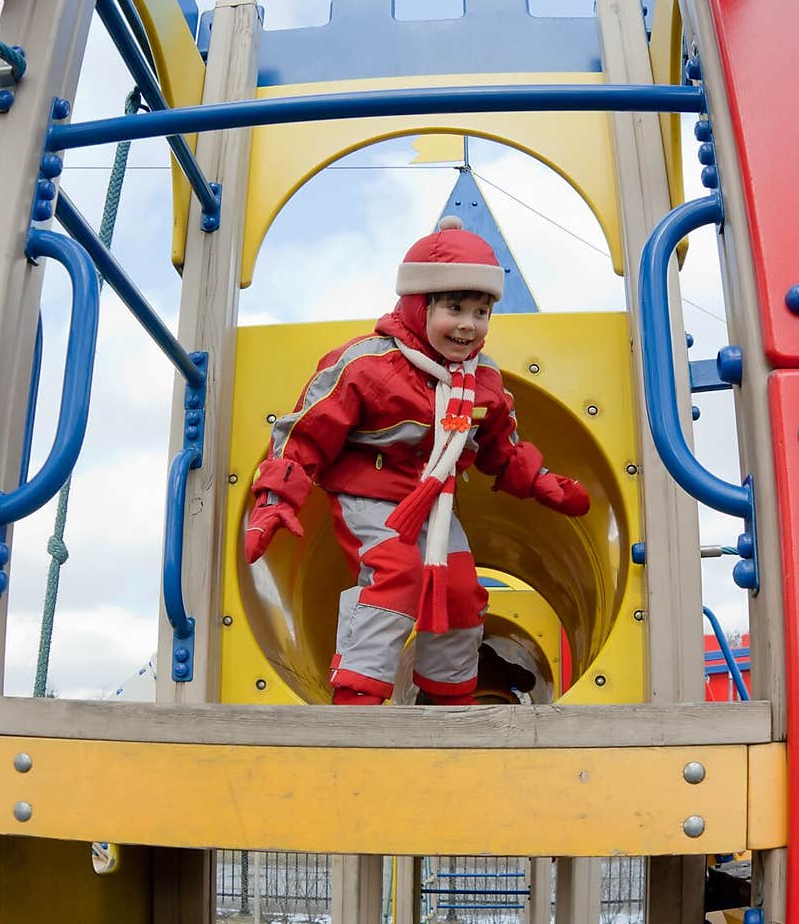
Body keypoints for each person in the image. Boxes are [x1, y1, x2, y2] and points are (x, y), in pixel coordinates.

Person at [244, 216, 590, 706]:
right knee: (396, 575)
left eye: (482, 311)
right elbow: (306, 430)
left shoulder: (482, 380)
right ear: (417, 303)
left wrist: (539, 481)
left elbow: (500, 446)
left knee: (460, 591)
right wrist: (276, 498)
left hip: (434, 504)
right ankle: (357, 696)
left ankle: (445, 699)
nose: (469, 325)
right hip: (370, 495)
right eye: (453, 307)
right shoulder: (369, 364)